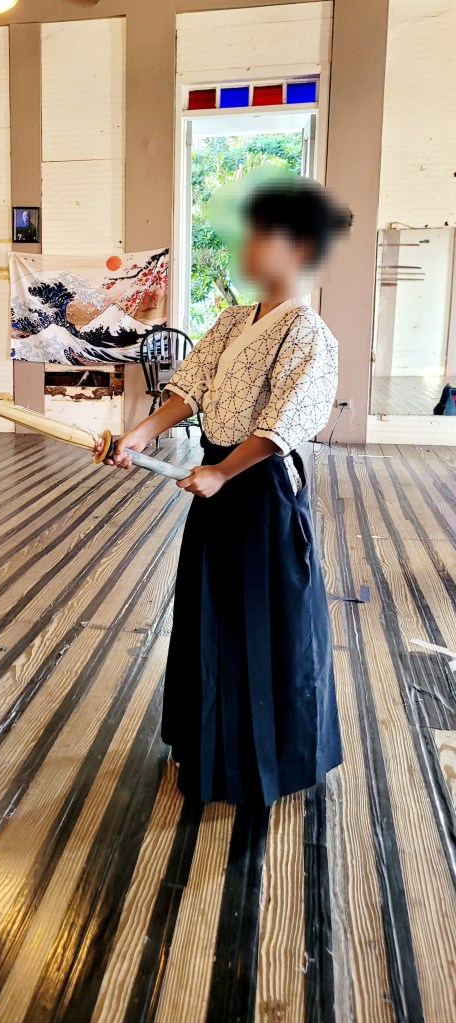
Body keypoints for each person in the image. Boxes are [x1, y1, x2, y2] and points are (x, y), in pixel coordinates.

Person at [105, 178, 352, 806]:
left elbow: (284, 423)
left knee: (263, 622)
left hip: (261, 489)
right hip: (217, 482)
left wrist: (222, 472)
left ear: (300, 249)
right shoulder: (235, 318)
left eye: (262, 235)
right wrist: (139, 434)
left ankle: (267, 762)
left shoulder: (309, 333)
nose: (247, 247)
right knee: (211, 613)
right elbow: (189, 388)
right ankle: (209, 747)